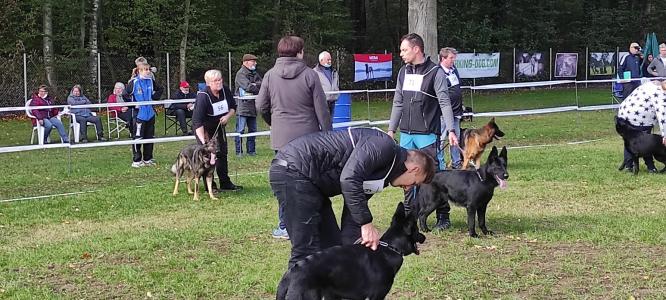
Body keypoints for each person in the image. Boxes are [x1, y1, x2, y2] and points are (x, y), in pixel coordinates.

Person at [270, 128, 436, 268]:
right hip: (293, 171)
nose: (407, 188)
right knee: (306, 252)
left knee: (332, 247)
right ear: (414, 169)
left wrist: (361, 252)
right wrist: (366, 223)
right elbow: (349, 179)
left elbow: (352, 215)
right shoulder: (384, 147)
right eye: (414, 183)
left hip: (311, 183)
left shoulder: (383, 174)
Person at [256, 35, 332, 240]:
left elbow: (260, 105)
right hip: (308, 138)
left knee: (284, 182)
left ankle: (284, 225)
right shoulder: (310, 75)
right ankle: (312, 220)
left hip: (281, 138)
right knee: (311, 179)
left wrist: (273, 122)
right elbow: (322, 109)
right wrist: (327, 135)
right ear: (299, 52)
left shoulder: (270, 75)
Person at [387, 33, 458, 231]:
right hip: (407, 134)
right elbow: (398, 102)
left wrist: (451, 129)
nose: (401, 53)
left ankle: (443, 217)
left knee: (435, 176)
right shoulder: (403, 72)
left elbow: (444, 102)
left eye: (404, 49)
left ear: (416, 49)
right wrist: (391, 129)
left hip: (427, 134)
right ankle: (411, 217)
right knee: (406, 175)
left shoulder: (435, 72)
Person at [192, 69, 242, 191]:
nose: (219, 82)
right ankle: (210, 186)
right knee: (207, 155)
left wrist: (227, 117)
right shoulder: (203, 96)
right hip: (204, 128)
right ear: (208, 83)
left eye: (220, 79)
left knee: (222, 153)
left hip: (219, 126)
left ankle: (225, 182)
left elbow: (233, 107)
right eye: (215, 81)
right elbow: (197, 122)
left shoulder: (225, 90)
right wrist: (203, 142)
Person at [617, 80, 666, 173]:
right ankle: (651, 167)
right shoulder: (661, 96)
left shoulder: (653, 83)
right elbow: (662, 117)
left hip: (625, 112)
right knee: (645, 143)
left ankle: (628, 166)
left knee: (630, 140)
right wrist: (664, 135)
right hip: (639, 117)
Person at [126, 63, 163, 168]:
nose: (148, 71)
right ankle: (136, 160)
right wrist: (133, 105)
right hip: (139, 115)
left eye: (148, 69)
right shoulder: (134, 82)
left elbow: (160, 89)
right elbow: (125, 94)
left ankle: (148, 159)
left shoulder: (151, 81)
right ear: (139, 71)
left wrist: (154, 98)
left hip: (150, 113)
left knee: (149, 137)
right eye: (145, 70)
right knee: (138, 137)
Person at [437, 47, 463, 171]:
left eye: (454, 58)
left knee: (455, 138)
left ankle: (456, 163)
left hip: (456, 111)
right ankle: (440, 164)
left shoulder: (454, 70)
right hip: (443, 113)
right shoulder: (438, 72)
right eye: (451, 58)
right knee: (441, 139)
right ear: (443, 58)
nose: (453, 60)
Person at [234, 54, 263, 156]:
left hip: (253, 106)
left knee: (253, 130)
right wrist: (255, 86)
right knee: (240, 130)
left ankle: (251, 151)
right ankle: (239, 152)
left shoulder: (254, 73)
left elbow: (262, 84)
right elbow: (248, 87)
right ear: (246, 62)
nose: (255, 63)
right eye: (253, 61)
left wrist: (256, 86)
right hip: (242, 106)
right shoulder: (240, 74)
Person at [312, 51, 340, 115]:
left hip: (332, 101)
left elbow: (337, 83)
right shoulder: (314, 72)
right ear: (321, 60)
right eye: (328, 60)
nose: (330, 61)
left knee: (330, 121)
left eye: (330, 59)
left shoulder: (334, 71)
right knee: (322, 122)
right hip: (321, 102)